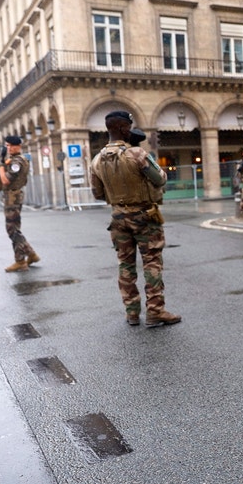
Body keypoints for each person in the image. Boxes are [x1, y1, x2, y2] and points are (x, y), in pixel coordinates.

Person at [90, 111, 181, 328]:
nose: (130, 130)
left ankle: (131, 312)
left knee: (125, 264)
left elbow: (97, 193)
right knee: (151, 262)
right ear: (123, 128)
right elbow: (160, 179)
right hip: (144, 216)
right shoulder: (137, 154)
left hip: (118, 217)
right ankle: (156, 311)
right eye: (129, 127)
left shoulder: (96, 160)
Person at [0, 135, 40, 272]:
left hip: (13, 197)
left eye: (11, 145)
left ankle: (20, 261)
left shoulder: (17, 162)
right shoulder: (15, 160)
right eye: (7, 146)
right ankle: (30, 255)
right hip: (12, 196)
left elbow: (6, 181)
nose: (9, 148)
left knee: (12, 230)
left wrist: (0, 168)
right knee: (14, 228)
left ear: (18, 146)